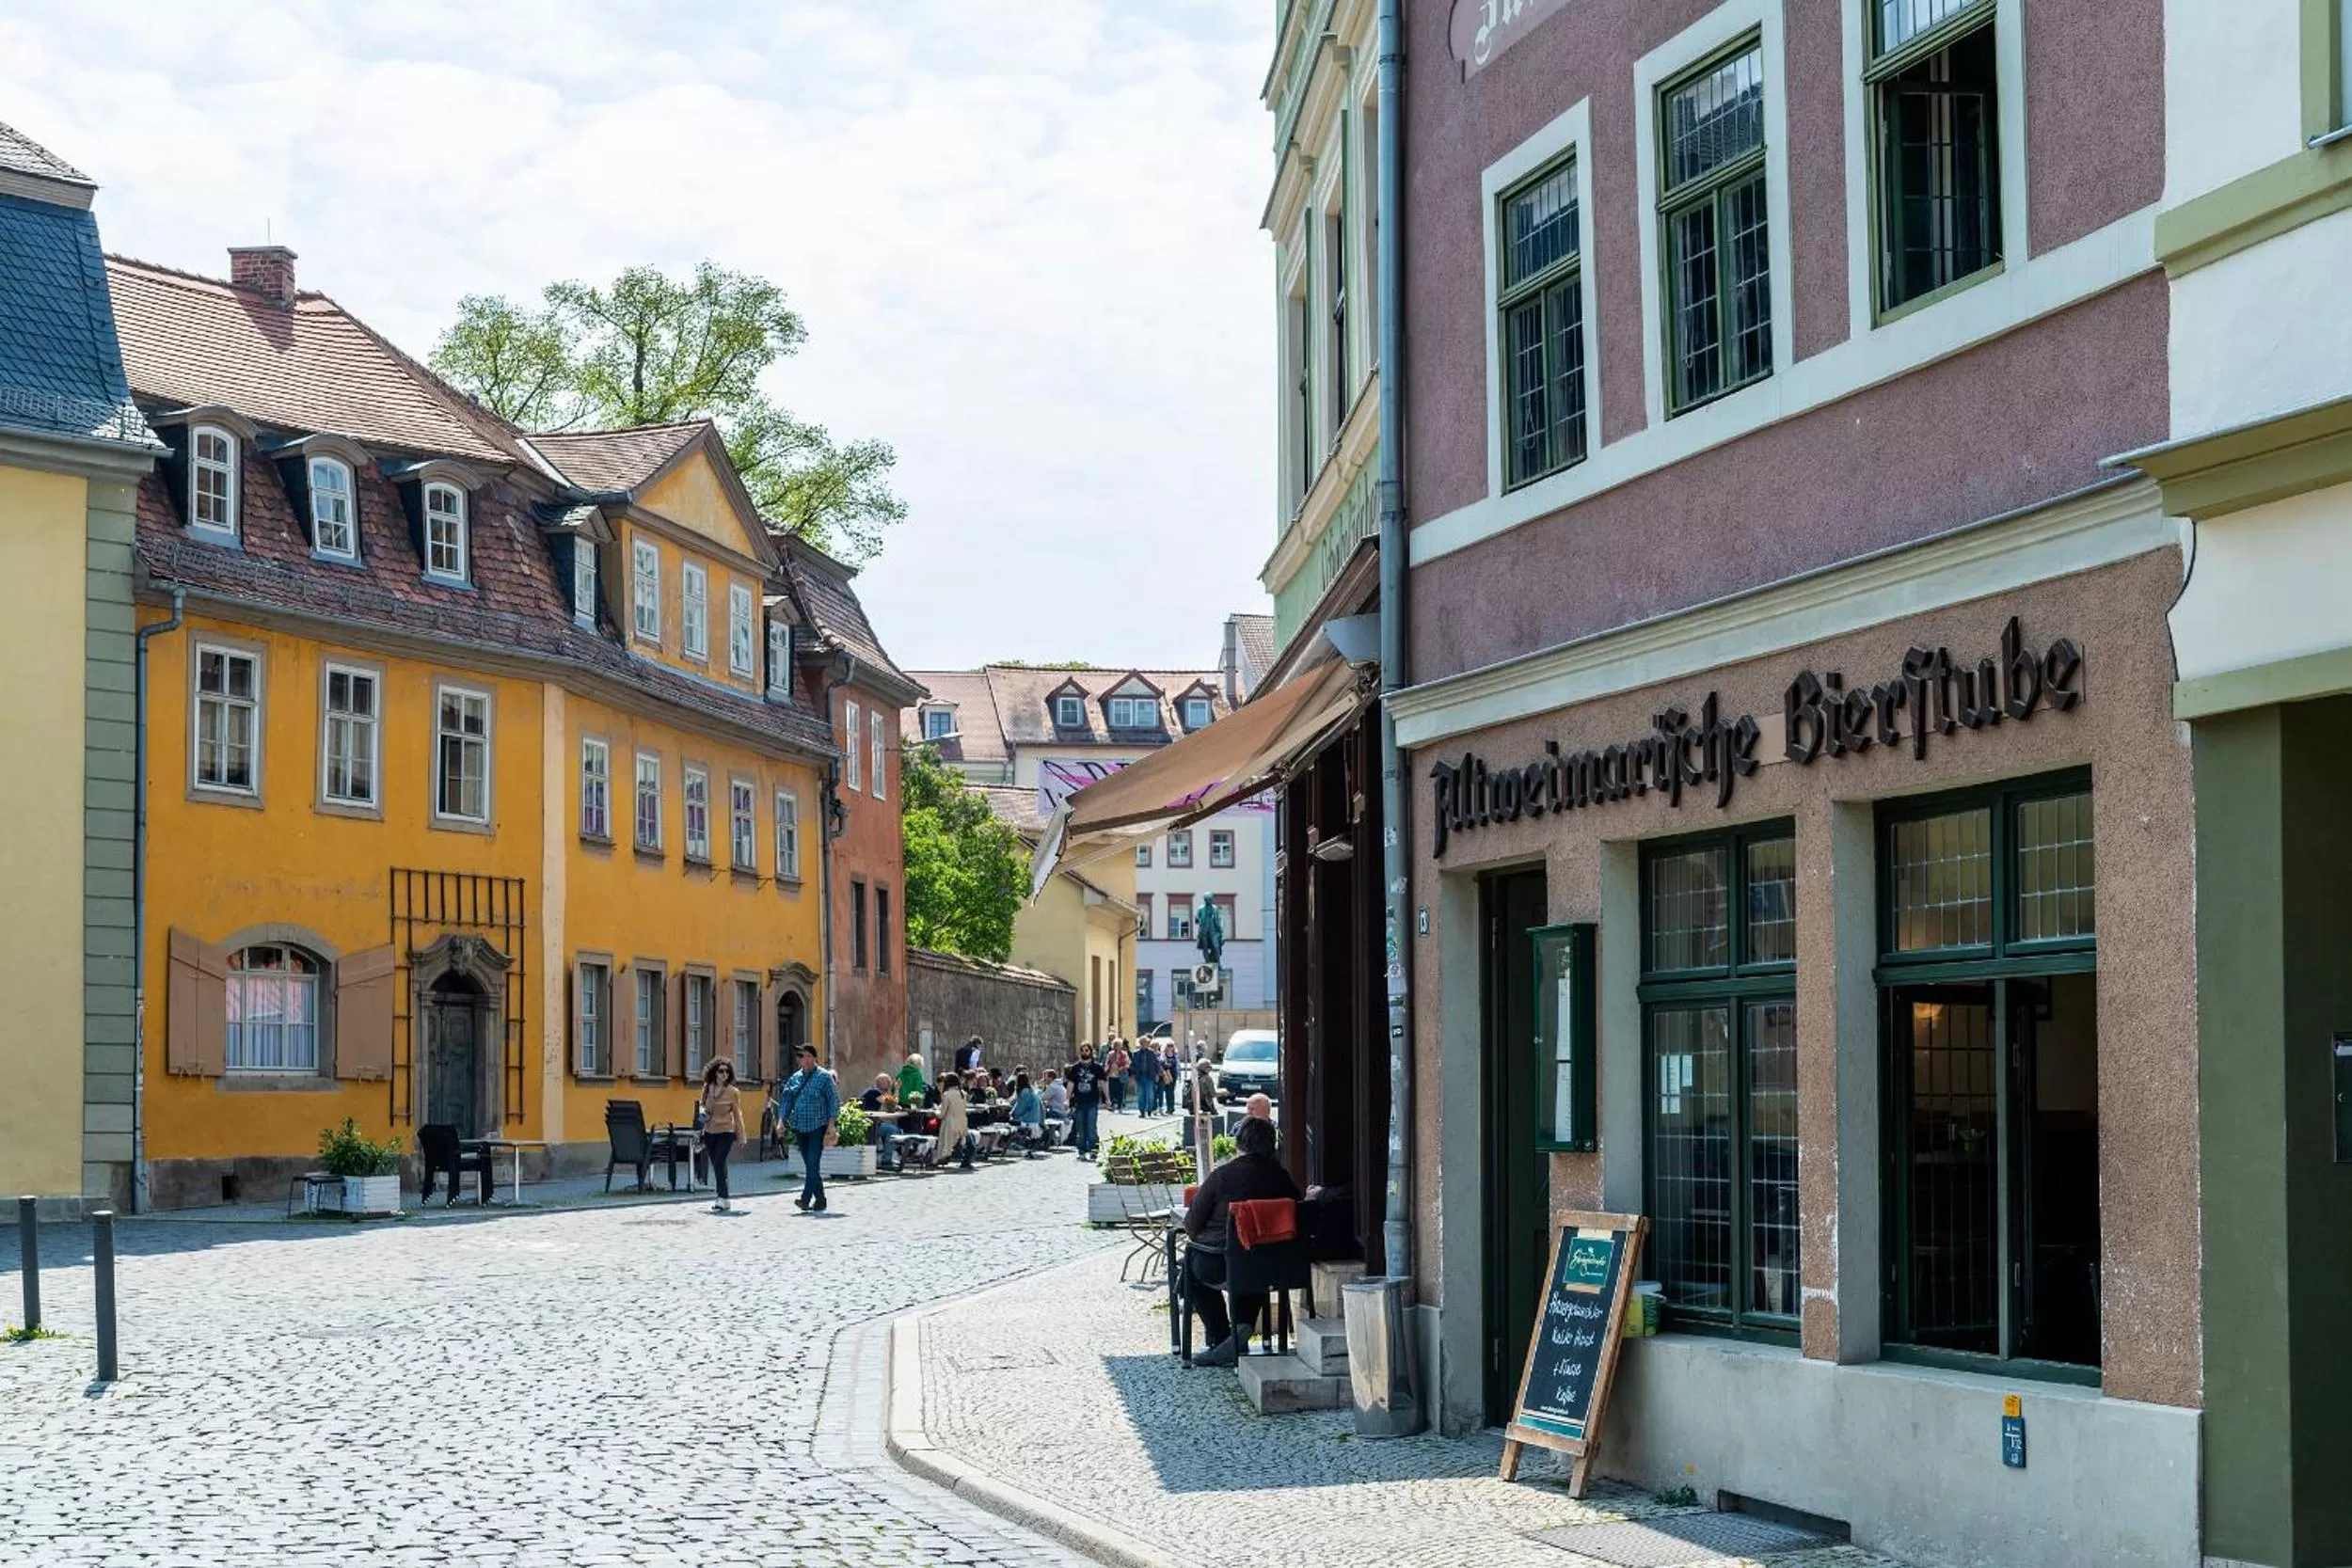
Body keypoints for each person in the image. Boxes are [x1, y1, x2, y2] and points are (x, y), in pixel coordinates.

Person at [1180, 1115, 1302, 1367]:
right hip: (1271, 1263)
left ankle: (1222, 1338)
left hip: (1218, 1261)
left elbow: (1191, 1226)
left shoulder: (1222, 1176)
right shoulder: (1281, 1177)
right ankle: (1242, 1326)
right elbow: (1296, 1210)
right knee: (1253, 1259)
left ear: (1240, 1143)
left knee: (1191, 1272)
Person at [779, 1042, 840, 1212]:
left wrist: (831, 1125)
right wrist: (781, 1121)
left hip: (818, 1126)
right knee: (810, 1166)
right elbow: (786, 1101)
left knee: (813, 1163)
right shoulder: (795, 1078)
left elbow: (833, 1102)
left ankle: (805, 1199)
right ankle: (820, 1200)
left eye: (808, 1056)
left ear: (815, 1058)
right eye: (802, 1056)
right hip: (800, 1126)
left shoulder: (824, 1077)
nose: (805, 1060)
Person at [698, 1059, 744, 1214]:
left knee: (719, 1162)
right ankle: (725, 1199)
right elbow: (702, 1104)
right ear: (714, 1073)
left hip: (726, 1131)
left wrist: (741, 1136)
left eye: (727, 1071)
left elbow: (737, 1115)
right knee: (718, 1164)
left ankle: (722, 1197)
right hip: (709, 1131)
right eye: (721, 1071)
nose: (725, 1074)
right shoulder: (707, 1088)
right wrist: (702, 1111)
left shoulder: (733, 1092)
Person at [1064, 1042, 1106, 1161]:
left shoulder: (1097, 1067)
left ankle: (1093, 1151)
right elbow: (1071, 1084)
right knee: (1080, 1128)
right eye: (1082, 1050)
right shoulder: (1075, 1068)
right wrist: (1067, 1099)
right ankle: (1082, 1151)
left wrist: (1107, 1098)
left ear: (1091, 1052)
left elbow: (1104, 1082)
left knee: (1091, 1128)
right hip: (1079, 1102)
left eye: (1086, 1050)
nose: (1084, 1052)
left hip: (1092, 1101)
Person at [937, 1071, 976, 1170]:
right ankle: (965, 1161)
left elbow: (942, 1114)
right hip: (962, 1122)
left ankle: (942, 1158)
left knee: (946, 1144)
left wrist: (935, 1113)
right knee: (962, 1142)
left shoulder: (947, 1094)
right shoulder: (963, 1094)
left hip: (949, 1122)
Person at [1009, 1072, 1044, 1158]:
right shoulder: (1031, 1090)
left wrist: (1011, 1114)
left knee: (1007, 1121)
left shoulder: (1025, 1091)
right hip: (1035, 1119)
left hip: (1028, 1120)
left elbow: (1020, 1108)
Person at [1132, 1040, 1161, 1117]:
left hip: (1150, 1077)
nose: (1144, 1045)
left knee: (1150, 1095)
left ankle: (1149, 1110)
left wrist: (1157, 1075)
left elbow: (1157, 1064)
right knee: (1140, 1095)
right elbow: (1133, 1065)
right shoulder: (1136, 1053)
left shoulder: (1152, 1053)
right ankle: (1142, 1111)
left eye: (1145, 1043)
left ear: (1148, 1044)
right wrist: (1133, 1074)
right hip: (1140, 1077)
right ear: (1140, 1044)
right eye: (1142, 1043)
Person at [1105, 1038, 1132, 1114]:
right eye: (1115, 1045)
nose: (1117, 1047)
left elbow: (1128, 1063)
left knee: (1120, 1091)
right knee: (1112, 1091)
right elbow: (1107, 1063)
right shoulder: (1110, 1054)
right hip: (1112, 1075)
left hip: (1121, 1075)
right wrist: (1108, 1068)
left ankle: (1120, 1106)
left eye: (1119, 1045)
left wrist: (1122, 1067)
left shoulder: (1124, 1054)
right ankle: (1112, 1105)